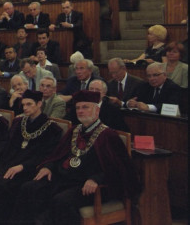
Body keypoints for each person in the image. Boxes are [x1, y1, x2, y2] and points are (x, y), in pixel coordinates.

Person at [19, 91, 140, 225]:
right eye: (77, 108)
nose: (80, 111)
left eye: (85, 107)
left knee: (61, 201)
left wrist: (96, 179)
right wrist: (49, 167)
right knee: (29, 188)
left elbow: (121, 168)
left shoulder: (108, 135)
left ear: (97, 110)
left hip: (90, 186)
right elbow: (58, 154)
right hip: (65, 179)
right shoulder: (74, 130)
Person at [0, 89, 62, 225]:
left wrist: (22, 166)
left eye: (29, 104)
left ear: (39, 104)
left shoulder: (52, 128)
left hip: (28, 169)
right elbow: (5, 142)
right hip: (7, 162)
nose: (25, 108)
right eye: (23, 105)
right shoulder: (19, 122)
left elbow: (47, 155)